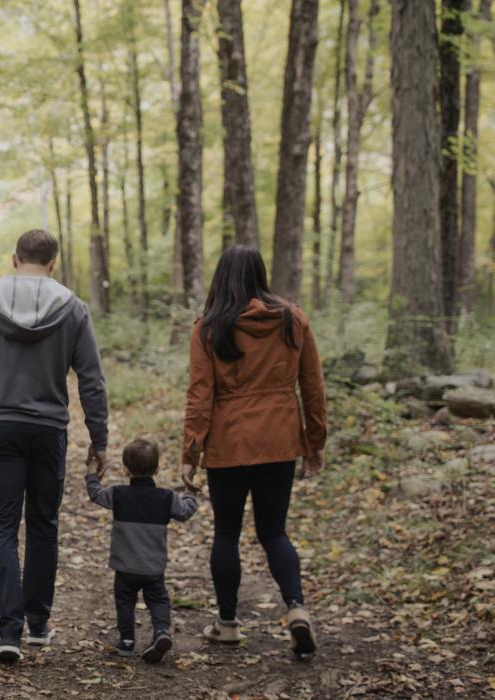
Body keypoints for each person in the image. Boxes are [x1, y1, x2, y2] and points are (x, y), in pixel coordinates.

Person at [0, 228, 109, 663]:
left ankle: (8, 632)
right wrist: (100, 438)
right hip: (49, 429)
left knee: (1, 527)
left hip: (0, 427)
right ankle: (38, 624)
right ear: (53, 262)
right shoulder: (72, 308)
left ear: (15, 259)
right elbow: (91, 380)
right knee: (43, 525)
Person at [181, 245, 327, 660]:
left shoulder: (209, 327)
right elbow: (313, 386)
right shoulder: (292, 319)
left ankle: (227, 624)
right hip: (280, 440)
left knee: (227, 532)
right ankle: (296, 607)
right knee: (274, 532)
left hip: (229, 442)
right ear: (261, 273)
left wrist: (190, 451)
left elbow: (199, 395)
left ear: (220, 276)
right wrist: (314, 441)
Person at [86, 438, 198, 663]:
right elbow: (185, 512)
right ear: (156, 469)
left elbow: (96, 494)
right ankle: (161, 632)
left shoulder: (118, 494)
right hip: (153, 568)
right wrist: (190, 490)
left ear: (126, 469)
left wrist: (92, 473)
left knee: (125, 601)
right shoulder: (167, 498)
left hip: (125, 567)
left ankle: (127, 641)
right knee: (158, 600)